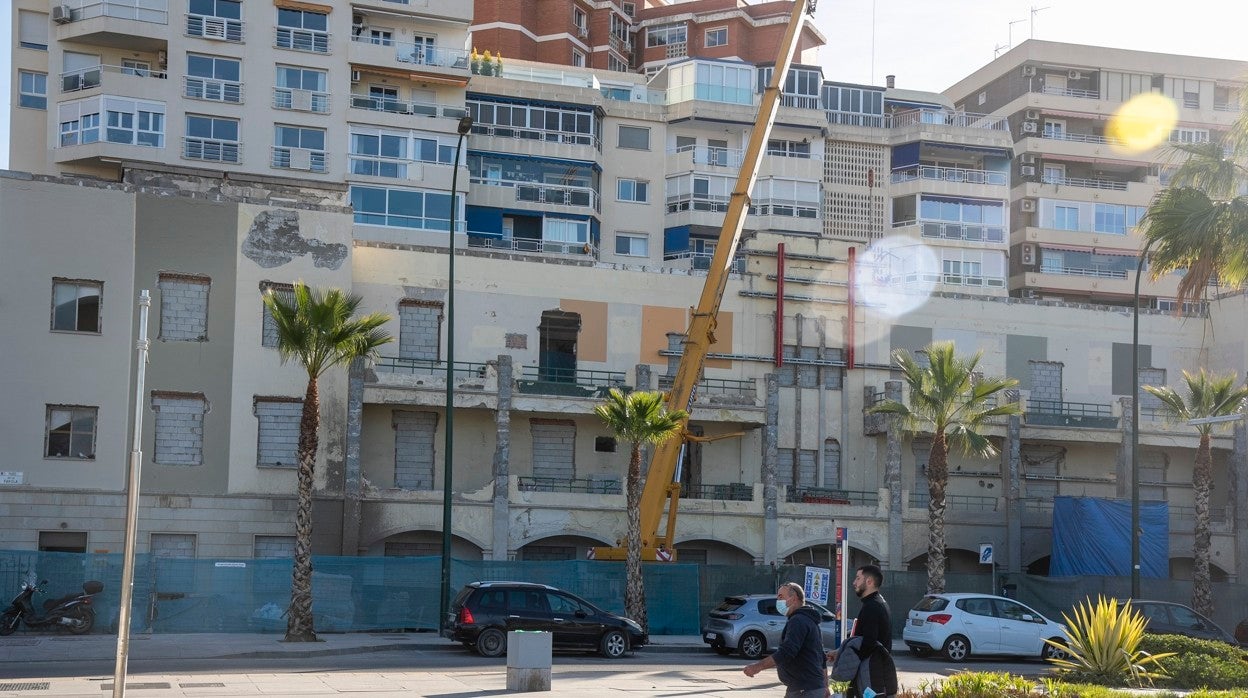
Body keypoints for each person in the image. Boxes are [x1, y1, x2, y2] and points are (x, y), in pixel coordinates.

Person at [743, 582, 829, 698]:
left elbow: (787, 652)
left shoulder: (798, 621)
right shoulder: (809, 620)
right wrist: (824, 687)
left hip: (804, 689)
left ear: (793, 599)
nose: (778, 601)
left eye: (781, 597)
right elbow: (821, 657)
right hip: (809, 687)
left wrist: (757, 667)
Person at [828, 565, 896, 697]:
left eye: (858, 578)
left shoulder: (872, 606)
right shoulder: (877, 603)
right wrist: (840, 652)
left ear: (869, 581)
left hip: (871, 676)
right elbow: (865, 640)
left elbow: (868, 644)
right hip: (874, 674)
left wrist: (845, 659)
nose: (854, 583)